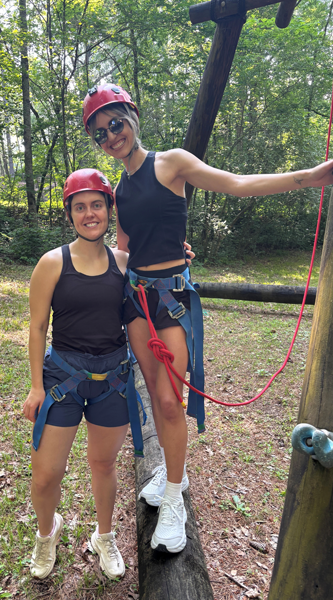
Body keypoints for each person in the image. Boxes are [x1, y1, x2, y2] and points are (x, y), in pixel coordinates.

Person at [82, 83, 333, 554]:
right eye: (100, 133)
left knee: (170, 398)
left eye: (115, 123)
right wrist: (78, 268)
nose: (110, 136)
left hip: (172, 300)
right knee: (154, 393)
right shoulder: (118, 189)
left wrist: (313, 176)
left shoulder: (171, 162)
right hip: (137, 301)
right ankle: (169, 471)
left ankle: (175, 497)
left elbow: (237, 184)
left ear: (132, 117)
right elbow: (124, 249)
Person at [23, 168, 141, 580]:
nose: (89, 214)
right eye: (80, 207)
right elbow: (38, 326)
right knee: (46, 475)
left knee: (103, 463)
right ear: (70, 214)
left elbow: (164, 273)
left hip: (112, 379)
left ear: (109, 209)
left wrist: (180, 253)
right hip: (63, 378)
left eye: (96, 205)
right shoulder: (52, 263)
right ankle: (46, 532)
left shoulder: (125, 264)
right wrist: (37, 386)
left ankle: (103, 536)